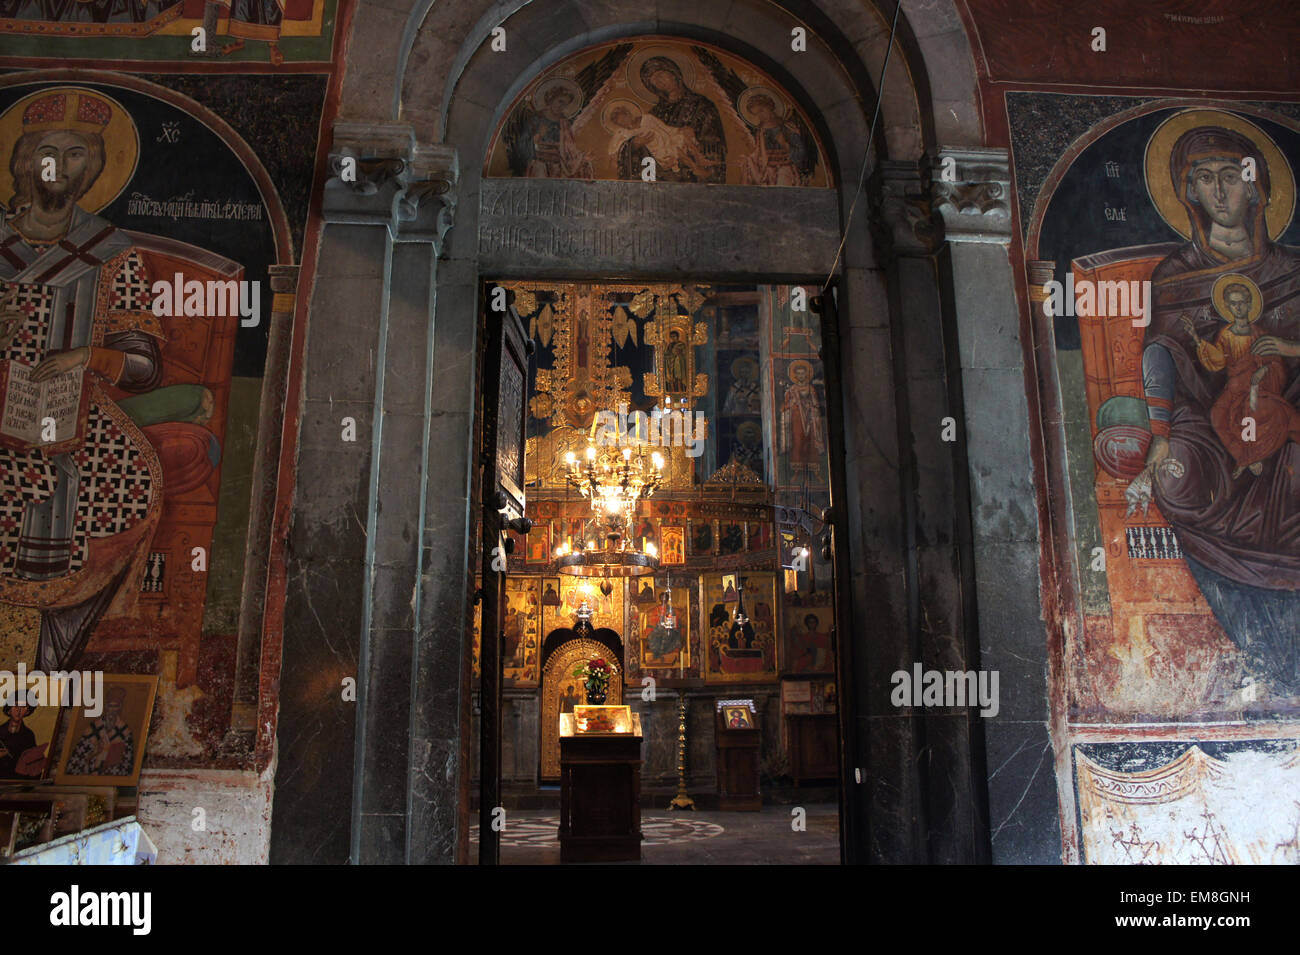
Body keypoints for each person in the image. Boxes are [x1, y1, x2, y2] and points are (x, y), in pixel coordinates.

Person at [1129, 122, 1300, 694]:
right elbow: (1164, 355)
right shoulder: (1175, 277)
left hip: (1285, 406)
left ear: (1258, 188)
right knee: (1179, 479)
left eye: (1234, 176)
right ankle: (1258, 652)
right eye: (1206, 178)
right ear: (1190, 194)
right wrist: (1158, 434)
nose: (1221, 190)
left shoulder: (1294, 273)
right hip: (1210, 416)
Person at [0, 90, 166, 673]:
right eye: (47, 151)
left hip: (71, 415)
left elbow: (144, 368)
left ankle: (43, 675)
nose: (59, 165)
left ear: (92, 169)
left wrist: (87, 356)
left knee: (125, 487)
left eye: (76, 154)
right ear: (22, 161)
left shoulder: (111, 253)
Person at [1180, 276, 1300, 478]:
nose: (1238, 307)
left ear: (1249, 304)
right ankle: (1244, 457)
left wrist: (1265, 371)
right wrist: (1196, 338)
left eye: (1242, 303)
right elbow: (1217, 361)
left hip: (1257, 386)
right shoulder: (1226, 334)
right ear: (1227, 306)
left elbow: (1274, 362)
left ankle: (1254, 456)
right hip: (1234, 389)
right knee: (1217, 416)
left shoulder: (1258, 333)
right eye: (1233, 304)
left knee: (1258, 415)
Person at [618, 56, 725, 183]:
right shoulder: (654, 113)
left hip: (692, 180)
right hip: (661, 178)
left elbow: (714, 142)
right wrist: (634, 145)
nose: (659, 82)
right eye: (654, 81)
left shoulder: (701, 105)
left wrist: (693, 136)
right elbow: (639, 144)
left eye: (661, 75)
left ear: (675, 74)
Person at [606, 102, 718, 179]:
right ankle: (694, 167)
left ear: (628, 113)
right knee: (673, 148)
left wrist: (681, 130)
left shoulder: (647, 118)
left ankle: (699, 158)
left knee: (681, 137)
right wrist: (633, 144)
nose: (625, 123)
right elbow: (615, 151)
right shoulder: (623, 133)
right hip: (656, 150)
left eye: (624, 118)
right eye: (621, 123)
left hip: (665, 139)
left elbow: (665, 129)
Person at [741, 94, 814, 186]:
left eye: (761, 110)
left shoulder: (787, 128)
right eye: (757, 114)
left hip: (785, 170)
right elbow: (758, 152)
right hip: (766, 171)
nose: (760, 116)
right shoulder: (760, 130)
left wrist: (784, 144)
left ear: (770, 106)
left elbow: (801, 152)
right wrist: (749, 159)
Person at [66, 685, 134, 776]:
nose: (112, 710)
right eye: (110, 706)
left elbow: (126, 764)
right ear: (106, 706)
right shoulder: (93, 729)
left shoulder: (124, 732)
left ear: (120, 707)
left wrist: (108, 752)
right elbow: (77, 760)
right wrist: (95, 753)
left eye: (116, 706)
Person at [0, 694, 38, 779]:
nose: (19, 710)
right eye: (16, 705)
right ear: (9, 708)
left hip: (18, 780)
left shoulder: (28, 735)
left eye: (24, 707)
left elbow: (32, 763)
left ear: (27, 712)